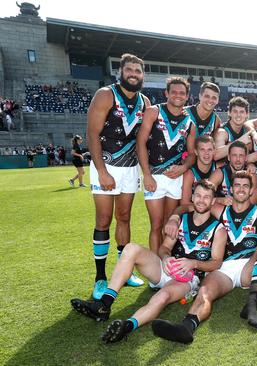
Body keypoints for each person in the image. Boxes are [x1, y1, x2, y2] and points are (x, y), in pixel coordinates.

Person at [70, 180, 222, 343]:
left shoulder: (218, 229)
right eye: (198, 195)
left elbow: (216, 262)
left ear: (213, 201)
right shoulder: (182, 220)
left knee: (162, 295)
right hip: (166, 268)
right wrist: (165, 258)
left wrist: (193, 264)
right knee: (130, 249)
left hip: (187, 278)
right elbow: (164, 248)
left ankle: (127, 326)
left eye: (206, 197)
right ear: (192, 197)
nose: (201, 200)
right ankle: (104, 304)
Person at [152, 172, 257, 343]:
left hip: (249, 267)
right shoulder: (219, 209)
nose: (241, 189)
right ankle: (187, 327)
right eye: (237, 185)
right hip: (223, 267)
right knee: (205, 291)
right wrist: (174, 217)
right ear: (231, 189)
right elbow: (187, 207)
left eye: (245, 186)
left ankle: (252, 304)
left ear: (252, 191)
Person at [86, 53, 150, 299]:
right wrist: (101, 170)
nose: (133, 74)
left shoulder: (144, 101)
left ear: (142, 75)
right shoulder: (105, 94)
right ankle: (100, 277)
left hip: (130, 168)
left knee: (124, 218)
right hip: (107, 166)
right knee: (103, 220)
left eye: (138, 71)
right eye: (130, 70)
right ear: (121, 72)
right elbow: (92, 133)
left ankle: (124, 271)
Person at [137, 77, 195, 255]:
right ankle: (155, 268)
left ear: (187, 97)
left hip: (175, 178)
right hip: (154, 177)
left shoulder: (189, 122)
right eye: (174, 92)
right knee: (155, 224)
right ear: (166, 93)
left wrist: (184, 167)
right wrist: (146, 174)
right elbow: (140, 143)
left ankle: (165, 263)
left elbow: (192, 154)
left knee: (168, 223)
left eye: (182, 93)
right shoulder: (154, 112)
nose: (178, 96)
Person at [208, 140, 257, 206]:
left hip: (244, 213)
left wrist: (236, 203)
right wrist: (220, 200)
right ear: (229, 157)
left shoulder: (251, 175)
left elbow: (253, 201)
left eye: (241, 155)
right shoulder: (219, 173)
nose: (238, 159)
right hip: (222, 212)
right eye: (234, 155)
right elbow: (205, 196)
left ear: (246, 158)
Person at [180, 135, 217, 205]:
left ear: (214, 151)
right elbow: (184, 203)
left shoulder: (218, 168)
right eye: (202, 150)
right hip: (194, 211)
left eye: (209, 150)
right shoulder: (189, 174)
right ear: (196, 152)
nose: (206, 153)